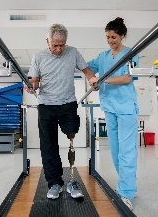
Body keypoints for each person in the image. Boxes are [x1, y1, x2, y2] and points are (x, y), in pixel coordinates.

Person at [25, 23, 96, 200]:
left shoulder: (72, 52)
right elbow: (35, 80)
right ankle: (55, 183)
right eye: (55, 45)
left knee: (71, 132)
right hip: (46, 105)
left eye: (61, 45)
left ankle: (72, 180)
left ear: (66, 42)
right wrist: (31, 86)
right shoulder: (38, 57)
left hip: (68, 103)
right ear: (47, 41)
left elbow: (86, 70)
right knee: (48, 146)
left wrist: (92, 78)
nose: (58, 49)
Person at [87, 17, 139, 210]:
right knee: (116, 151)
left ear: (122, 36)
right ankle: (129, 186)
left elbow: (127, 78)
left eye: (114, 37)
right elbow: (86, 67)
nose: (110, 40)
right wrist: (91, 77)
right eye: (108, 37)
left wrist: (102, 79)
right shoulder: (102, 57)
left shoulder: (131, 54)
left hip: (126, 108)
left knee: (127, 152)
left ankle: (125, 193)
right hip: (109, 107)